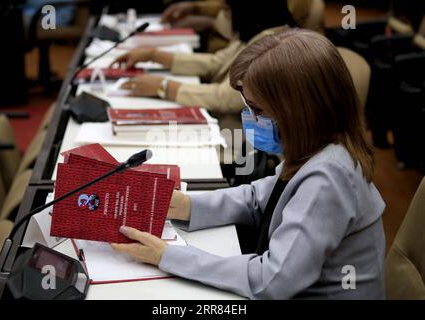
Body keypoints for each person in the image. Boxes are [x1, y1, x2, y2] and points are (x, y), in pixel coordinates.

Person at [110, 29, 387, 299]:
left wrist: (168, 256)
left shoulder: (329, 178)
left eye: (259, 110)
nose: (250, 118)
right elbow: (259, 198)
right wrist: (186, 205)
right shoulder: (317, 149)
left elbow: (272, 280)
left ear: (300, 112)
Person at [111, 0, 295, 114]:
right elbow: (216, 63)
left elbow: (226, 98)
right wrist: (153, 55)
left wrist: (163, 87)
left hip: (238, 140)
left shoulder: (271, 46)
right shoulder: (258, 34)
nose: (224, 16)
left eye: (228, 10)